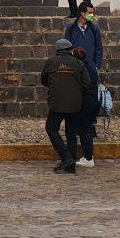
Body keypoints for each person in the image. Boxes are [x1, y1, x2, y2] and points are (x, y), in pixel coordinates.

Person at [40, 37, 93, 173]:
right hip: (75, 104)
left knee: (51, 129)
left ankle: (66, 157)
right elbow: (87, 84)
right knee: (71, 132)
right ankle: (71, 162)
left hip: (56, 103)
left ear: (57, 50)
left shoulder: (50, 62)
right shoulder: (78, 63)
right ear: (70, 50)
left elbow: (44, 81)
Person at [71, 47, 100, 168]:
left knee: (85, 130)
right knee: (86, 128)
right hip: (93, 101)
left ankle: (88, 158)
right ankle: (87, 156)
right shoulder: (91, 66)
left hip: (86, 102)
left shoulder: (81, 68)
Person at [65, 2, 104, 72]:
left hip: (91, 68)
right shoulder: (70, 29)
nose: (92, 15)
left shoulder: (94, 29)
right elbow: (67, 49)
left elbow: (99, 48)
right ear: (82, 13)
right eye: (90, 13)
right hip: (75, 67)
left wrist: (96, 66)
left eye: (93, 13)